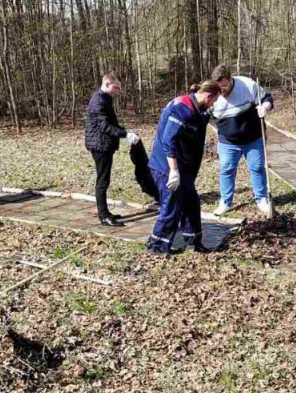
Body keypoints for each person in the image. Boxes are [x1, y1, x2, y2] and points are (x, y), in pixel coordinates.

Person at [146, 81, 221, 255]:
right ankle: (156, 246)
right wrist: (173, 171)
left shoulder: (196, 108)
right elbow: (168, 140)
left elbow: (197, 123)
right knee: (172, 206)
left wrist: (210, 116)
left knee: (191, 202)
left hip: (184, 166)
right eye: (214, 100)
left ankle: (194, 241)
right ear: (208, 96)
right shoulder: (182, 109)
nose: (213, 104)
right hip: (166, 166)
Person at [209, 63, 274, 217]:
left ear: (230, 79)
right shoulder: (213, 93)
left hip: (253, 138)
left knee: (257, 167)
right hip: (227, 141)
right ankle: (225, 202)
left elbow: (267, 98)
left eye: (224, 86)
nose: (222, 91)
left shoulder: (248, 85)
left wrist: (265, 107)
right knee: (226, 169)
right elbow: (206, 113)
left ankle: (261, 199)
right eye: (219, 88)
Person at [84, 72, 139, 227]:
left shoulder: (105, 99)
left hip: (103, 144)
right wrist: (125, 134)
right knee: (102, 181)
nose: (118, 90)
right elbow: (105, 126)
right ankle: (103, 216)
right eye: (116, 87)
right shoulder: (99, 101)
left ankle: (105, 212)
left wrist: (126, 131)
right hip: (100, 145)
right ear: (107, 84)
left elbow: (112, 123)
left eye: (119, 88)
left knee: (104, 180)